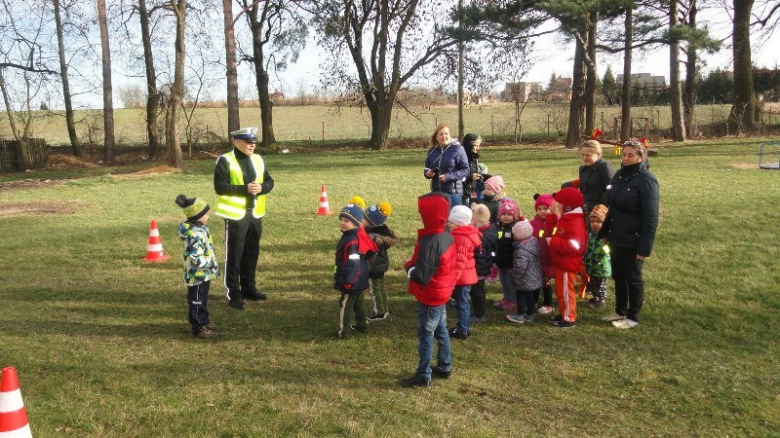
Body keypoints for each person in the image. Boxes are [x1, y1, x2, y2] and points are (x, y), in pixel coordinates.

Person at [598, 140, 660, 329]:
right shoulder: (619, 176)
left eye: (631, 155)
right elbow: (611, 206)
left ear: (641, 157)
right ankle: (619, 310)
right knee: (619, 275)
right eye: (624, 154)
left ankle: (632, 316)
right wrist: (605, 232)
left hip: (634, 238)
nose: (625, 158)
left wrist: (644, 247)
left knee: (633, 277)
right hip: (617, 235)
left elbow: (651, 217)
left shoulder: (646, 180)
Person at [214, 127, 275, 310]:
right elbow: (220, 187)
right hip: (236, 216)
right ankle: (234, 293)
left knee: (251, 253)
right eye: (248, 142)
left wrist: (262, 188)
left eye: (254, 142)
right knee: (235, 256)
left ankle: (249, 288)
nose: (252, 145)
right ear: (236, 142)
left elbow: (270, 181)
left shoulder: (257, 159)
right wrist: (245, 189)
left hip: (255, 214)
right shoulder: (225, 160)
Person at [401, 193, 457, 388]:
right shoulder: (445, 233)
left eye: (421, 212)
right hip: (442, 292)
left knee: (426, 334)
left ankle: (423, 375)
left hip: (431, 295)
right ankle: (444, 365)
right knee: (441, 329)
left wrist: (409, 267)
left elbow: (421, 275)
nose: (419, 215)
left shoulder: (431, 242)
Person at [175, 194, 219, 339]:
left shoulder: (200, 229)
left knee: (203, 298)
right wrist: (210, 263)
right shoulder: (195, 234)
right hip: (197, 274)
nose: (209, 216)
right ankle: (198, 327)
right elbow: (196, 258)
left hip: (204, 274)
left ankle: (204, 320)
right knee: (197, 300)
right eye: (206, 213)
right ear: (198, 215)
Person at [544, 187, 587, 329]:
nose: (557, 205)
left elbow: (575, 246)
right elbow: (554, 230)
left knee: (566, 292)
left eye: (560, 203)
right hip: (561, 262)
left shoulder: (574, 223)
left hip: (567, 264)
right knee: (561, 291)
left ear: (568, 206)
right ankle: (564, 313)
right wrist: (551, 215)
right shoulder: (567, 217)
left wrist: (554, 242)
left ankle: (569, 318)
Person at [334, 203, 377, 339]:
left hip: (352, 280)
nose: (342, 223)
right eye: (341, 219)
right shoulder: (352, 235)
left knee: (345, 303)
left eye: (347, 221)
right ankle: (362, 325)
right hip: (359, 278)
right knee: (358, 302)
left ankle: (344, 331)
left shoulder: (352, 241)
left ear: (356, 223)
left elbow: (353, 264)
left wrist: (348, 281)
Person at [447, 205, 480, 340]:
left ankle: (462, 330)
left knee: (462, 304)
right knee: (464, 303)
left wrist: (453, 280)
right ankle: (465, 327)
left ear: (459, 223)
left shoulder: (461, 238)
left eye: (452, 222)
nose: (449, 224)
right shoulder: (463, 234)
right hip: (466, 275)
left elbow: (459, 262)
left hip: (462, 277)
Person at [362, 202, 399, 321]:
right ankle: (384, 309)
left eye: (365, 218)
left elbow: (366, 252)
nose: (362, 219)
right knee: (381, 288)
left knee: (374, 289)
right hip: (382, 264)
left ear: (372, 222)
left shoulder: (371, 235)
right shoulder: (383, 232)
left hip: (374, 267)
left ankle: (379, 312)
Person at [424, 123, 470, 207]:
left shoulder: (458, 149)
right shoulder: (432, 151)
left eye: (446, 133)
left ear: (450, 135)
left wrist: (448, 176)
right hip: (436, 193)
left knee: (453, 220)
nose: (444, 136)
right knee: (439, 219)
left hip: (453, 194)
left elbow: (466, 170)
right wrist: (428, 174)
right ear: (436, 137)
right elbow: (426, 169)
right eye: (441, 134)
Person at [506, 219, 542, 324]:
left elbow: (520, 267)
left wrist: (514, 274)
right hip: (534, 277)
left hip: (524, 279)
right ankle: (530, 315)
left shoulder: (521, 250)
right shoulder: (533, 242)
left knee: (521, 296)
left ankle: (520, 315)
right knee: (530, 297)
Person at [494, 197, 522, 310]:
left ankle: (513, 300)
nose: (506, 217)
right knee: (503, 281)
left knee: (511, 283)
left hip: (511, 262)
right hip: (500, 260)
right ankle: (506, 298)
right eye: (503, 214)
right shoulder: (498, 227)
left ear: (514, 216)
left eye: (509, 214)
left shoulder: (516, 228)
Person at [470, 203, 496, 323]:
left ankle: (480, 314)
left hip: (478, 269)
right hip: (486, 266)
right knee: (478, 291)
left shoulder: (479, 236)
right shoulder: (492, 229)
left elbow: (479, 256)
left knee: (477, 292)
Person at [530, 194, 556, 315]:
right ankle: (534, 301)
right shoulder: (533, 223)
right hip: (536, 258)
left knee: (546, 283)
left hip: (548, 258)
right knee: (535, 281)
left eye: (545, 208)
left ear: (551, 209)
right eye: (539, 209)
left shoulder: (554, 223)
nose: (542, 211)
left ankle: (548, 304)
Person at [578, 140, 615, 217]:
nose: (584, 158)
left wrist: (602, 209)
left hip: (600, 211)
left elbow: (612, 190)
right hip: (585, 208)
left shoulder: (605, 167)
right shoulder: (583, 169)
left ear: (598, 154)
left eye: (588, 155)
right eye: (583, 155)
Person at [584, 204, 611, 308]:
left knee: (601, 285)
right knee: (594, 283)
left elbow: (608, 251)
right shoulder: (591, 235)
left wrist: (605, 248)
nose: (595, 224)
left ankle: (601, 300)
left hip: (602, 266)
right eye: (592, 222)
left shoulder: (605, 237)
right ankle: (595, 298)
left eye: (598, 222)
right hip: (592, 265)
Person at [462, 133, 484, 205]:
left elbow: (475, 172)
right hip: (463, 194)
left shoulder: (474, 157)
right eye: (476, 145)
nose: (478, 148)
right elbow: (458, 177)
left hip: (472, 191)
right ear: (469, 145)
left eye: (478, 146)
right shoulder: (461, 158)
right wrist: (471, 177)